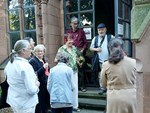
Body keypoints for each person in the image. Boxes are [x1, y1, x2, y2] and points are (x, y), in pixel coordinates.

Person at [100, 38, 136, 113]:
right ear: (122, 48)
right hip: (131, 96)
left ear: (110, 49)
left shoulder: (106, 64)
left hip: (114, 98)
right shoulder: (133, 62)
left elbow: (103, 84)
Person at [4, 40, 40, 113]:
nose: (31, 50)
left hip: (14, 101)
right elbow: (31, 90)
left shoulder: (9, 64)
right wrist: (37, 84)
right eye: (30, 48)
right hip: (26, 104)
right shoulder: (25, 66)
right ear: (23, 50)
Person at [55, 33, 80, 112]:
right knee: (66, 88)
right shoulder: (61, 49)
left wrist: (79, 61)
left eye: (72, 40)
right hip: (65, 72)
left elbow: (77, 57)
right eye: (69, 40)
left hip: (74, 71)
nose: (71, 41)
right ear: (65, 40)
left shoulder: (74, 48)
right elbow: (56, 60)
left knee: (75, 88)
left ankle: (75, 106)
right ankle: (68, 105)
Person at [90, 23, 114, 94]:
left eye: (102, 29)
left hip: (109, 60)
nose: (101, 31)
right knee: (101, 75)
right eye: (99, 30)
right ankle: (103, 88)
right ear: (97, 31)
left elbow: (116, 44)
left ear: (105, 30)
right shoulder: (95, 38)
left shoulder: (111, 37)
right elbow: (91, 48)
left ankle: (110, 88)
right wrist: (96, 49)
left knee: (110, 74)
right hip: (100, 61)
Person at [66, 16, 88, 92]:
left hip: (79, 51)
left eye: (77, 24)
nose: (76, 25)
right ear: (71, 24)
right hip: (71, 51)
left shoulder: (81, 31)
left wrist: (82, 50)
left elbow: (85, 43)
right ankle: (74, 86)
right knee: (72, 69)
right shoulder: (69, 32)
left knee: (81, 69)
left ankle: (82, 86)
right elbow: (66, 43)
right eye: (74, 24)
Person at [29, 44, 50, 113]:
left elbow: (47, 72)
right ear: (35, 52)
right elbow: (35, 74)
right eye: (38, 51)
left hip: (45, 85)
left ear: (44, 52)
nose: (40, 53)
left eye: (41, 51)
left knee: (45, 104)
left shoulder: (44, 59)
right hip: (39, 86)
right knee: (40, 105)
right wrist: (43, 68)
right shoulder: (33, 61)